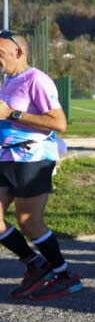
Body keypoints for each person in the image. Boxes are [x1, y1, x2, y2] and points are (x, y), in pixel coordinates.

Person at [0, 30, 77, 301]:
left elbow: (59, 123)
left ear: (19, 52)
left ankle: (65, 275)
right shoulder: (8, 80)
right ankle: (36, 265)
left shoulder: (37, 79)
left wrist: (12, 113)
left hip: (32, 157)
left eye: (0, 53)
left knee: (29, 221)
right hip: (6, 157)